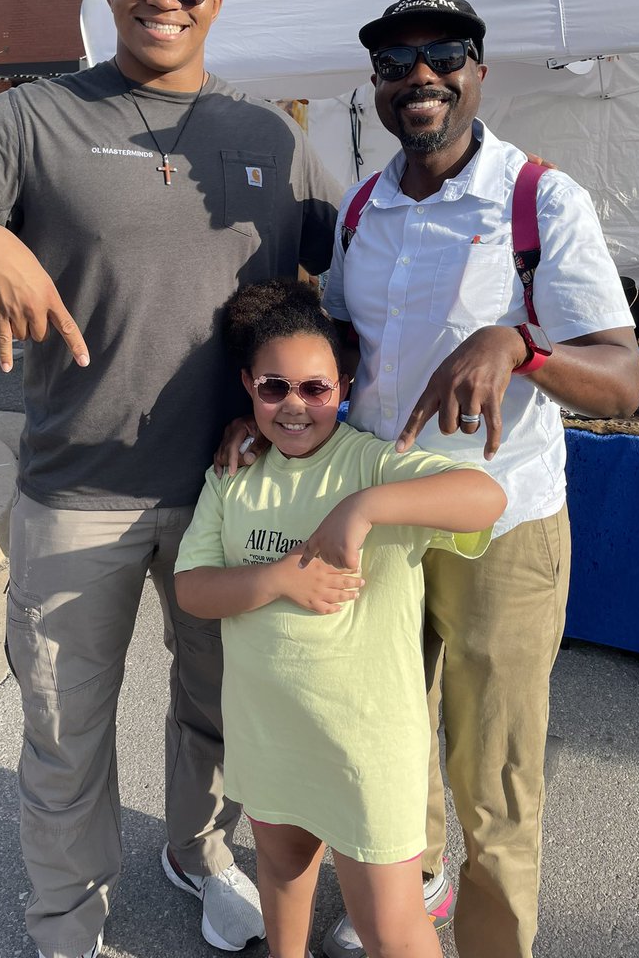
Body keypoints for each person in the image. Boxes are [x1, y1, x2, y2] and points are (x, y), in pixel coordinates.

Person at [0, 0, 340, 958]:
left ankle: (197, 854)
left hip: (224, 494)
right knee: (66, 731)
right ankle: (67, 922)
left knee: (218, 713)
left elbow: (307, 300)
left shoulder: (269, 138)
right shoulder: (33, 120)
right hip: (79, 493)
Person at [217, 0, 639, 958]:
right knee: (385, 756)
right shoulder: (365, 208)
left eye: (443, 54)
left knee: (492, 786)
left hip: (503, 529)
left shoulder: (540, 200)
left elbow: (621, 382)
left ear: (478, 72)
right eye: (396, 62)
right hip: (380, 524)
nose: (421, 76)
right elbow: (353, 359)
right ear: (374, 86)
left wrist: (521, 346)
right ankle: (409, 907)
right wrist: (269, 419)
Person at [175, 278, 506, 958]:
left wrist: (364, 509)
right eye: (274, 388)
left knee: (390, 926)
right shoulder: (233, 474)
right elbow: (193, 589)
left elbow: (484, 497)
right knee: (283, 877)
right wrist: (280, 577)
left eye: (315, 389)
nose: (293, 406)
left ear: (343, 386)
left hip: (366, 750)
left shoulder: (367, 465)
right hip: (270, 736)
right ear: (248, 386)